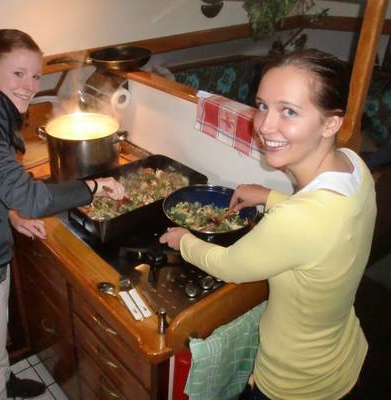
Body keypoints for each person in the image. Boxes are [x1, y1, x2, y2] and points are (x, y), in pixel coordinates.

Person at [160, 49, 376, 400]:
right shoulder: (353, 166)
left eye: (288, 111)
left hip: (294, 383)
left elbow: (229, 266)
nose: (264, 126)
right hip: (342, 355)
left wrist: (184, 239)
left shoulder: (299, 220)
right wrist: (270, 197)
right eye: (262, 106)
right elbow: (326, 224)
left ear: (331, 123)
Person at [0, 29, 124, 400]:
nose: (30, 85)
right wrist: (94, 186)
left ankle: (8, 382)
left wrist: (11, 215)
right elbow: (33, 198)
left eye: (36, 75)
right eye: (18, 74)